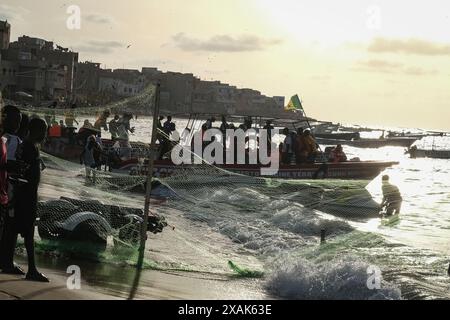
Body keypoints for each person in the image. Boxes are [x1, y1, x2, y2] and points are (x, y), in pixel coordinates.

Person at [6, 117, 49, 282]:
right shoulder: (31, 148)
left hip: (20, 194)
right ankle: (32, 269)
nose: (45, 135)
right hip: (27, 195)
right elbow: (27, 173)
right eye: (43, 131)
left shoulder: (24, 145)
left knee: (15, 229)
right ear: (36, 131)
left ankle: (8, 262)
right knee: (28, 233)